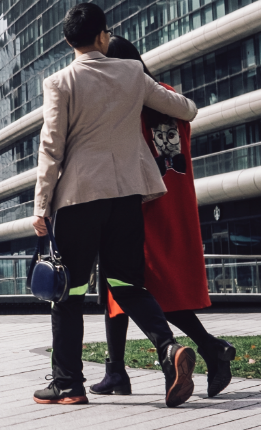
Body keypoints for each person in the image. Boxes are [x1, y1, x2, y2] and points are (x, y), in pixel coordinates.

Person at [31, 3, 199, 407]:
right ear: (103, 36)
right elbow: (186, 109)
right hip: (126, 198)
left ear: (69, 41)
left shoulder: (60, 82)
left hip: (78, 199)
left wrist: (41, 207)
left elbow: (51, 148)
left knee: (68, 293)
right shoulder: (132, 73)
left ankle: (68, 384)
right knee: (127, 285)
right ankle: (169, 350)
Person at [89, 36, 236, 398]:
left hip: (142, 203)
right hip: (177, 201)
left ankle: (208, 347)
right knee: (121, 286)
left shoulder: (130, 100)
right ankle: (116, 372)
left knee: (138, 287)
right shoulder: (167, 96)